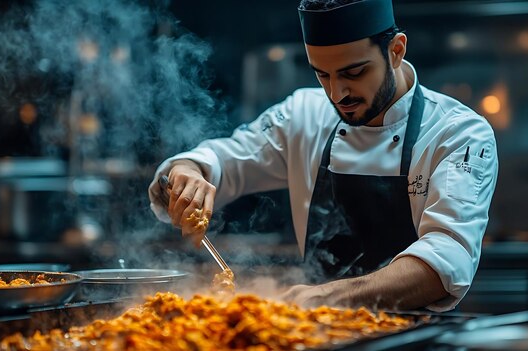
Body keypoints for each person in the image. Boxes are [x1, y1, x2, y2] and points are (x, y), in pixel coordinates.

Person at [148, 0, 498, 312]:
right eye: (322, 74)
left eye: (354, 72)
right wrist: (187, 170)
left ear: (396, 50)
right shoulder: (304, 114)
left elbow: (446, 260)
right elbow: (225, 160)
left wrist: (327, 298)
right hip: (314, 335)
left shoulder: (458, 133)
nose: (337, 92)